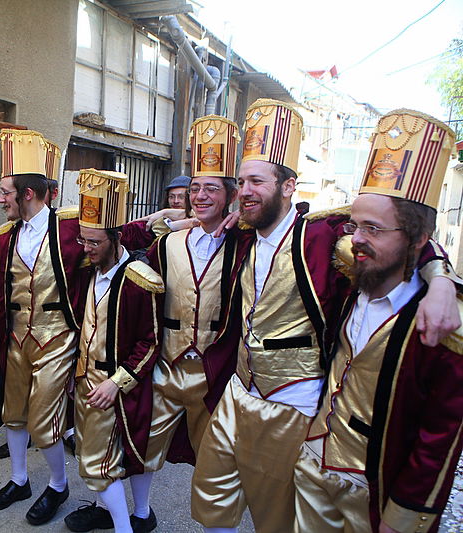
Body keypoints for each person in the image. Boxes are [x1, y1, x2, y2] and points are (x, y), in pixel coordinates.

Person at [190, 99, 460, 533]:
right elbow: (193, 223)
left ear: (289, 186)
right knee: (211, 498)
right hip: (238, 389)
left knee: (274, 515)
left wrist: (443, 278)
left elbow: (403, 238)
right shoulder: (240, 233)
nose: (244, 191)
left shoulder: (325, 237)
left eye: (257, 181)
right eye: (241, 182)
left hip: (293, 402)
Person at [293, 109, 463, 533]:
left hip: (373, 488)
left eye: (373, 228)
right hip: (313, 466)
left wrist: (405, 517)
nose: (357, 239)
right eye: (355, 226)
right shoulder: (353, 271)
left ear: (419, 240)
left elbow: (440, 437)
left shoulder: (446, 322)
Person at [130, 116, 242, 516]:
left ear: (231, 196)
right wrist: (182, 220)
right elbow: (124, 238)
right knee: (143, 443)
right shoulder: (169, 242)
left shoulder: (243, 243)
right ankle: (141, 513)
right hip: (167, 363)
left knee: (216, 461)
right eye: (195, 188)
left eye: (211, 188)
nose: (200, 195)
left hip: (216, 370)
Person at [0, 129, 79, 525]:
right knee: (12, 414)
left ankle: (57, 484)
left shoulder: (69, 227)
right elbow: (2, 291)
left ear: (28, 194)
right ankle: (19, 480)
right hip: (15, 338)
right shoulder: (5, 237)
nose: (0, 199)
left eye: (5, 192)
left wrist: (174, 218)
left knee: (45, 423)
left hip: (57, 337)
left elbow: (119, 236)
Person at [60, 169, 163, 533]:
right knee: (98, 460)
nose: (85, 250)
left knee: (99, 465)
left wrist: (117, 383)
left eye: (94, 243)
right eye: (83, 241)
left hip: (113, 385)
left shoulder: (138, 279)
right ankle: (117, 517)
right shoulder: (89, 272)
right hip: (87, 380)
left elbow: (150, 342)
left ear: (115, 238)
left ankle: (124, 528)